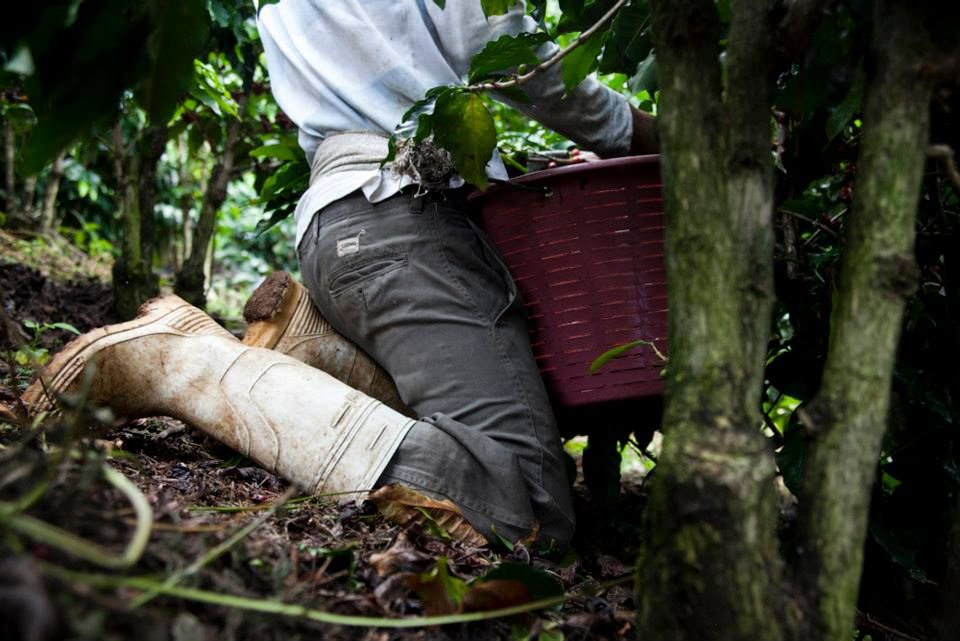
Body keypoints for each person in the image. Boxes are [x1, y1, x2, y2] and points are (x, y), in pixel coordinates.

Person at [18, 0, 657, 551]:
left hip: (347, 221)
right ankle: (193, 368)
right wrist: (641, 132)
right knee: (530, 512)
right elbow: (504, 47)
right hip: (404, 216)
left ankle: (311, 356)